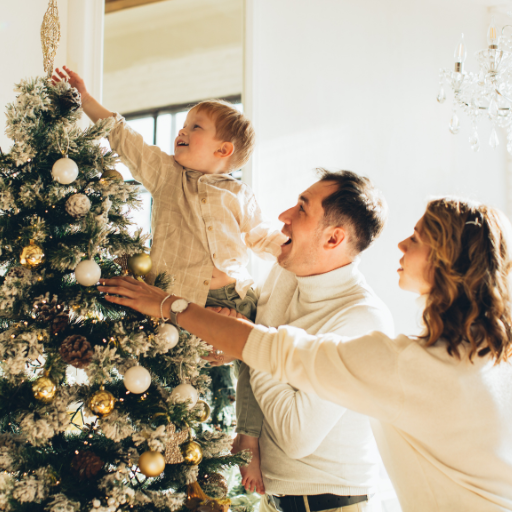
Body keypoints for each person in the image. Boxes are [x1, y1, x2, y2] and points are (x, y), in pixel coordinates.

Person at [99, 197, 512, 512]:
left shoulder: (407, 364)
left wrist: (167, 304)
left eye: (418, 237)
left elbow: (265, 347)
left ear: (447, 261)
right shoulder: (487, 358)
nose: (402, 243)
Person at [52, 66, 287, 492]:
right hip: (177, 302)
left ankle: (248, 436)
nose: (181, 132)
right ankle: (169, 458)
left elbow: (260, 235)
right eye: (182, 125)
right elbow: (124, 137)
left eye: (194, 127)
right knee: (174, 379)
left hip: (234, 298)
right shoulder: (166, 175)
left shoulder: (238, 194)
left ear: (223, 150)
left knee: (256, 362)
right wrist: (85, 98)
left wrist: (288, 247)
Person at [104, 170, 394, 511]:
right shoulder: (285, 275)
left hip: (332, 504)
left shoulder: (361, 319)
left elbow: (296, 435)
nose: (284, 217)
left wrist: (246, 343)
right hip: (275, 499)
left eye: (302, 208)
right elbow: (259, 349)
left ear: (333, 239)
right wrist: (239, 340)